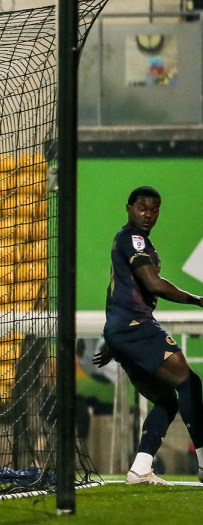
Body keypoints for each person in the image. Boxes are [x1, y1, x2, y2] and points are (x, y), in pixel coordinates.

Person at [95, 186, 203, 485]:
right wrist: (197, 299)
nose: (148, 214)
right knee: (190, 382)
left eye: (154, 209)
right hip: (137, 327)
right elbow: (153, 284)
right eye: (142, 208)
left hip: (124, 331)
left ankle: (140, 468)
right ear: (129, 208)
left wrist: (112, 335)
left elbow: (114, 287)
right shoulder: (133, 238)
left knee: (167, 400)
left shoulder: (134, 243)